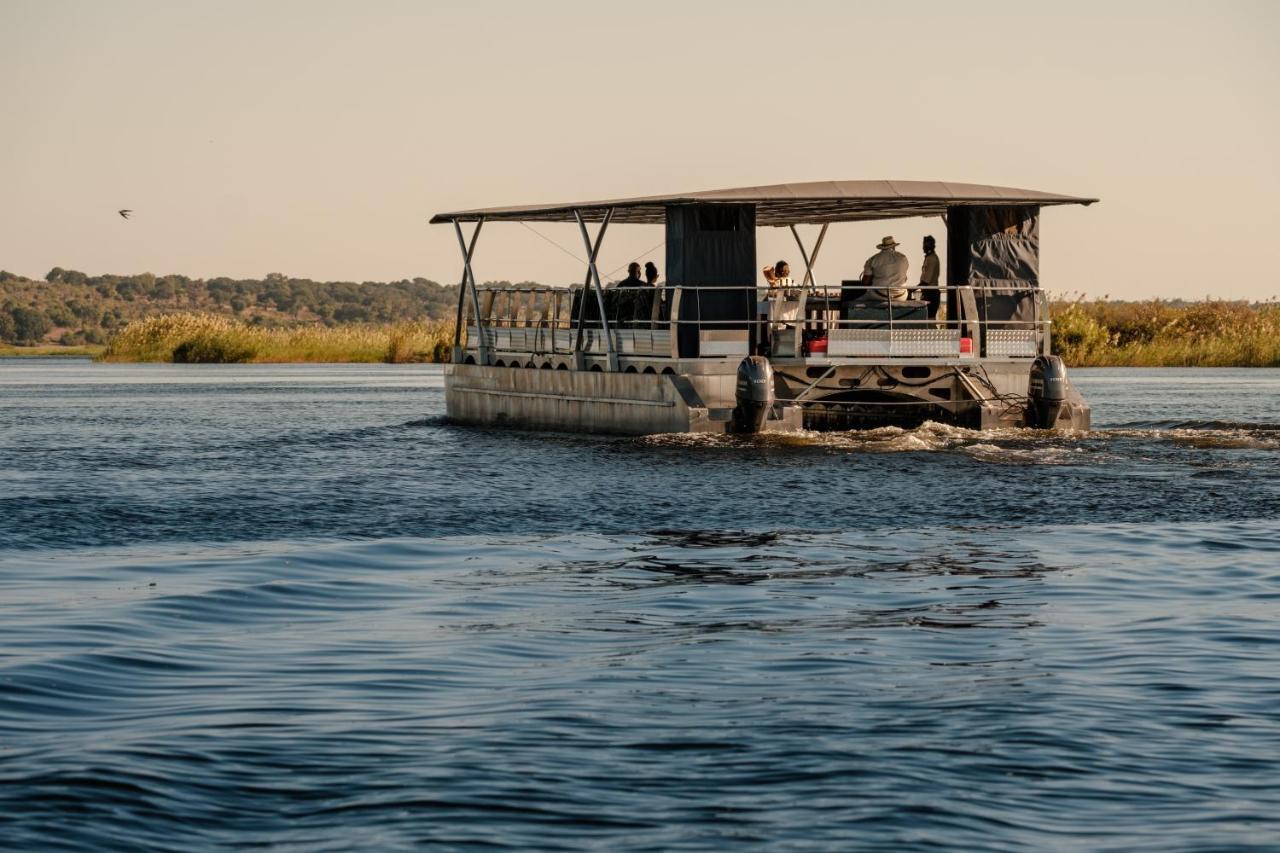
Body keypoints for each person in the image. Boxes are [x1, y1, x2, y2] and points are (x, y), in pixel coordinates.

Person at [861, 236, 909, 301]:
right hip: (901, 296)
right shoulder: (903, 258)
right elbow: (904, 277)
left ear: (882, 247)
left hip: (879, 296)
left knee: (858, 300)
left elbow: (865, 282)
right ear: (894, 246)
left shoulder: (873, 259)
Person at [919, 235, 942, 319]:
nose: (923, 247)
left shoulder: (932, 259)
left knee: (930, 319)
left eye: (924, 245)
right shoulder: (929, 258)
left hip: (931, 293)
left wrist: (912, 289)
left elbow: (926, 281)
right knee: (928, 319)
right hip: (928, 292)